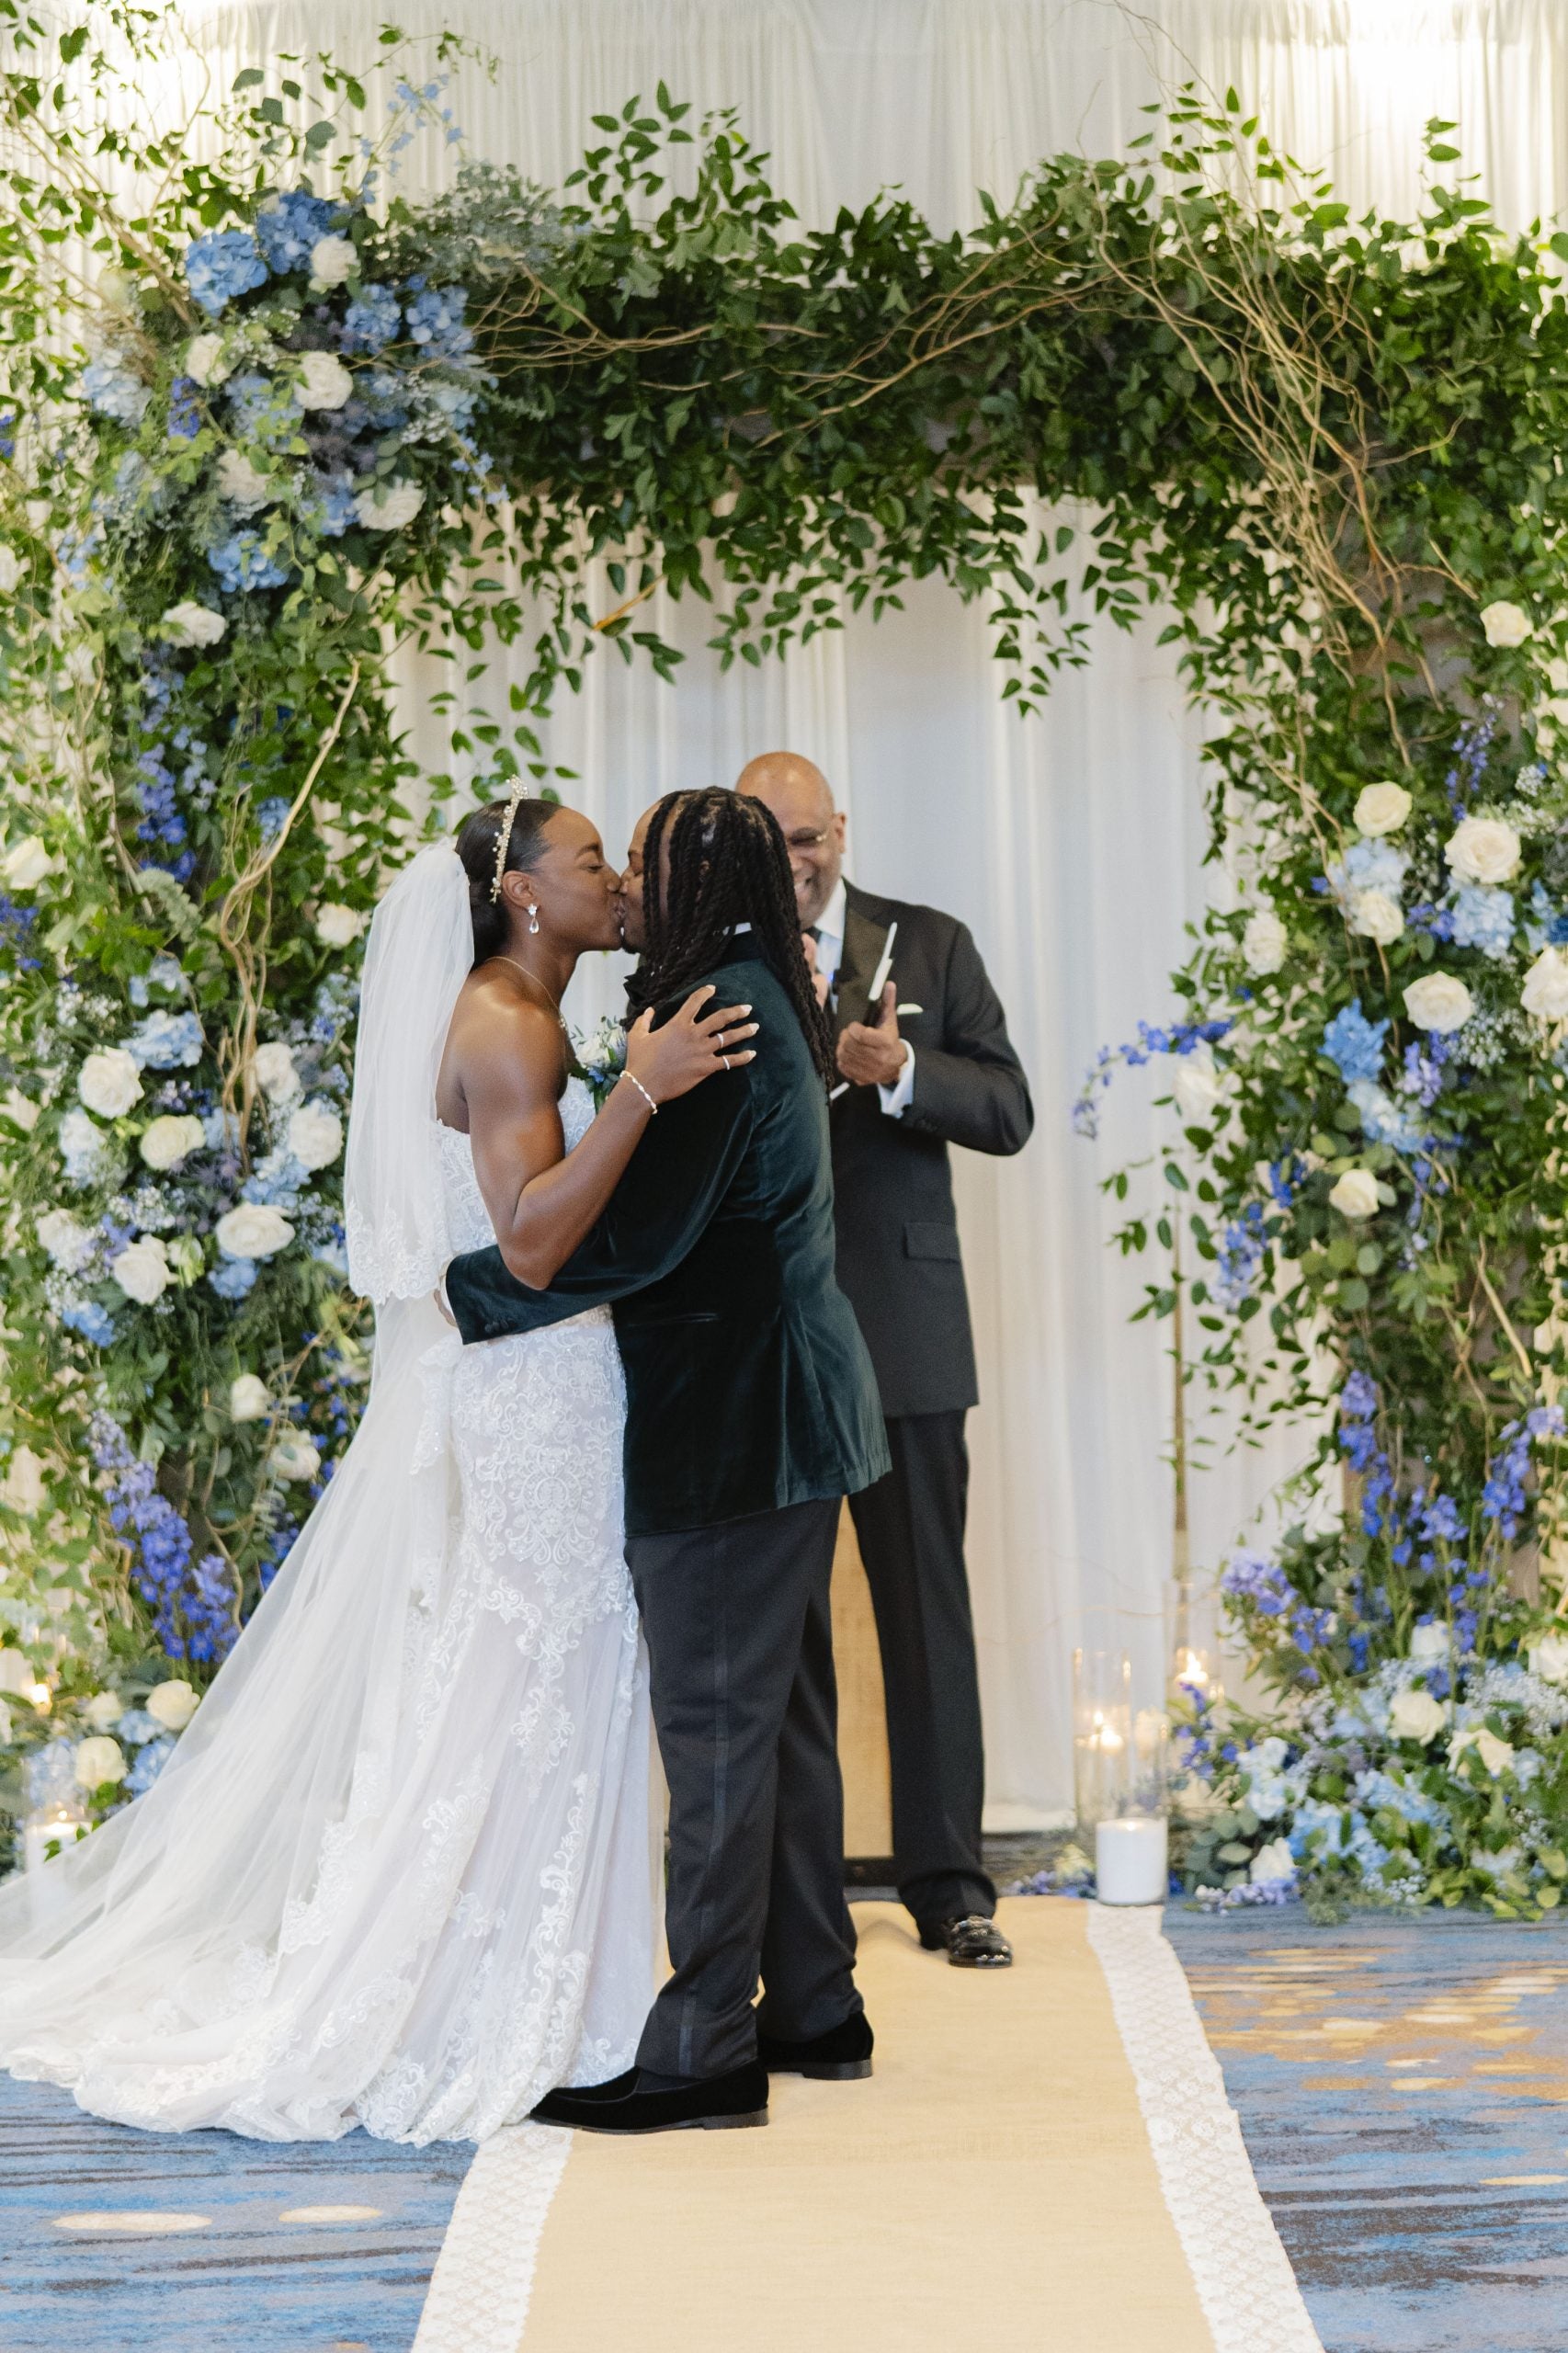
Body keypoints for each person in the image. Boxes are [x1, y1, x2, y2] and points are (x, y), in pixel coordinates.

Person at [0, 794, 752, 2142]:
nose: (617, 879)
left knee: (535, 1662)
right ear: (523, 893)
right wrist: (642, 1088)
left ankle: (541, 1969)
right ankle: (479, 1984)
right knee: (535, 1659)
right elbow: (527, 1242)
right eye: (590, 862)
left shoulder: (513, 1006)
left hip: (543, 1382)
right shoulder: (509, 1022)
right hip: (538, 1387)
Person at [444, 787, 890, 2136]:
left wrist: (468, 1293)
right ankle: (816, 2004)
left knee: (710, 1731)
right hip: (795, 1411)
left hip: (733, 1425)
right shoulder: (752, 985)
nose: (627, 883)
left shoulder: (719, 1014)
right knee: (784, 1724)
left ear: (696, 877)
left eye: (639, 861)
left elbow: (634, 1240)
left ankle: (702, 2046)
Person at [737, 752, 1033, 1970]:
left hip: (905, 1332)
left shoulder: (932, 942)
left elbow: (1007, 1110)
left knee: (925, 1615)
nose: (796, 863)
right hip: (773, 1342)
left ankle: (949, 1884)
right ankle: (792, 1901)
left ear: (839, 832)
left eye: (808, 840)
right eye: (773, 845)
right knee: (781, 1630)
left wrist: (902, 1072)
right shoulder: (716, 958)